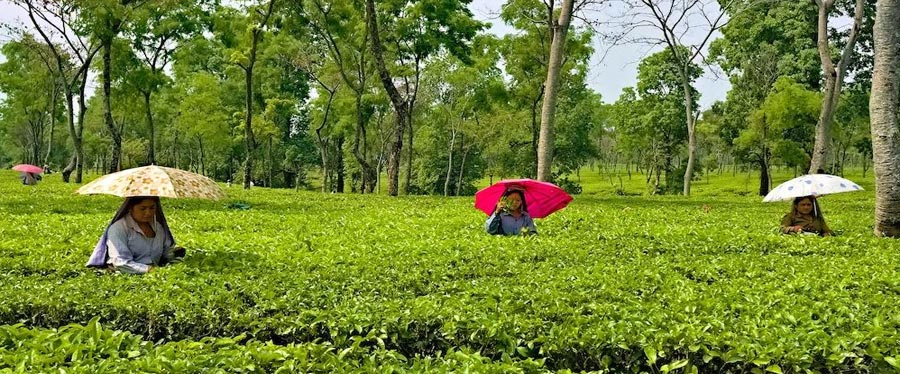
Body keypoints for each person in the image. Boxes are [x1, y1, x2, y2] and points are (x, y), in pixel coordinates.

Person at [86, 196, 185, 274]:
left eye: (152, 208)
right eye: (143, 208)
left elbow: (166, 253)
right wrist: (149, 270)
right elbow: (120, 262)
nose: (148, 213)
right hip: (129, 275)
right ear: (131, 208)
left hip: (155, 271)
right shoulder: (119, 228)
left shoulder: (158, 227)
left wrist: (174, 257)